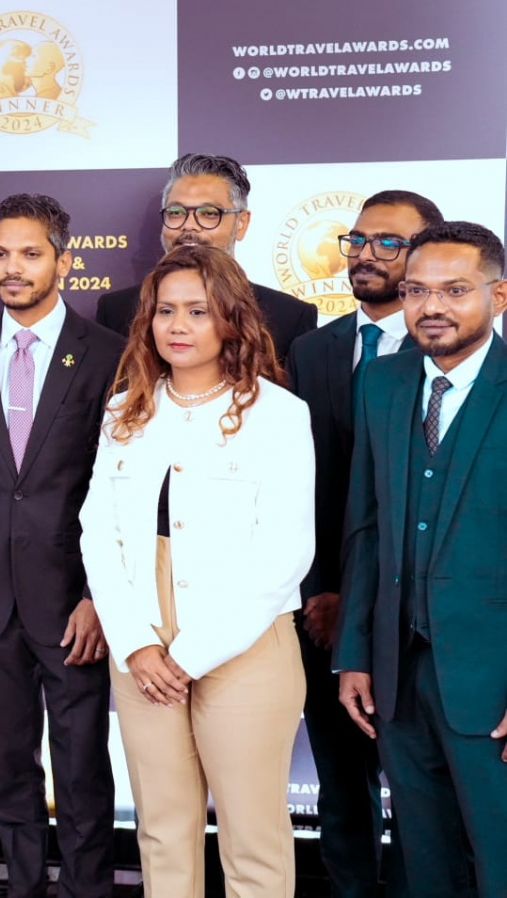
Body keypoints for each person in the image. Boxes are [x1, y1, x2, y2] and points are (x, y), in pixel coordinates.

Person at [80, 243, 313, 896]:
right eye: (165, 311)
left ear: (232, 319)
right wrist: (136, 644)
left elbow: (285, 553)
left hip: (246, 642)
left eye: (198, 311)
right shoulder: (124, 410)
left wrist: (189, 655)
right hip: (142, 643)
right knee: (161, 829)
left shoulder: (278, 414)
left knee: (252, 835)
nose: (177, 326)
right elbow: (97, 532)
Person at [0, 194, 121, 897]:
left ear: (64, 262)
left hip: (72, 602)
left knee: (81, 767)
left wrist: (99, 596)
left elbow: (120, 488)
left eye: (30, 254)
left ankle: (87, 889)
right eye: (1, 253)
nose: (12, 268)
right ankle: (24, 887)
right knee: (9, 765)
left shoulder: (109, 355)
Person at [336, 221, 507, 897]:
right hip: (396, 675)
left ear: (499, 295)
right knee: (424, 865)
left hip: (491, 681)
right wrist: (354, 651)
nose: (431, 306)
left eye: (455, 290)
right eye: (416, 291)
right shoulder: (381, 382)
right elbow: (366, 526)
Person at [285, 190, 442, 897]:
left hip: (415, 618)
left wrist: (365, 599)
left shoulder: (449, 354)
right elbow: (298, 487)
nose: (367, 255)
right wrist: (322, 590)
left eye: (388, 242)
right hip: (319, 611)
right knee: (342, 787)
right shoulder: (310, 349)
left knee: (420, 792)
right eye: (358, 240)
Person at [95, 153, 317, 356]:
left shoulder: (289, 317)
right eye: (176, 212)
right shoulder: (116, 311)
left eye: (209, 213)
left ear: (241, 223)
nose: (189, 225)